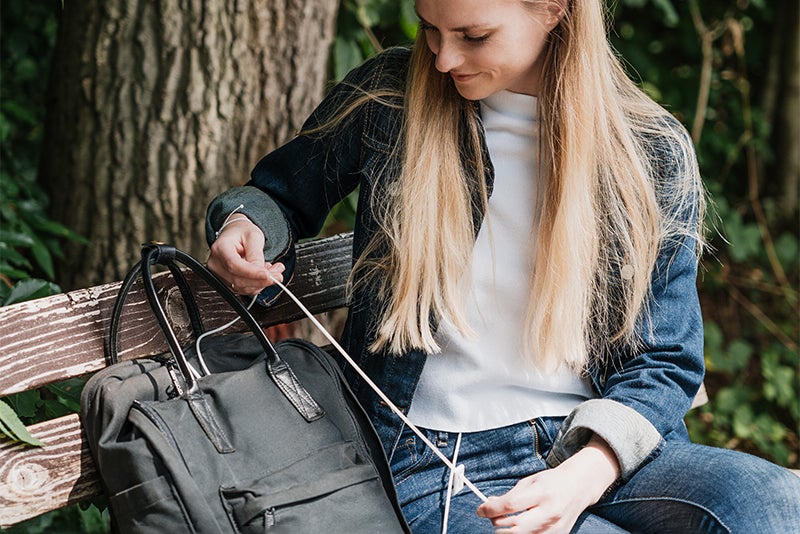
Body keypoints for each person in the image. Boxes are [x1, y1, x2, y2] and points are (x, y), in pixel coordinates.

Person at [205, 0, 800, 532]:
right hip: (438, 456)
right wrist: (246, 224)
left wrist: (586, 473)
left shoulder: (647, 147)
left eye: (474, 35)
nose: (442, 59)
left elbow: (666, 359)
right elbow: (280, 192)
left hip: (597, 441)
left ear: (556, 10)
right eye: (430, 29)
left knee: (775, 504)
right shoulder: (391, 97)